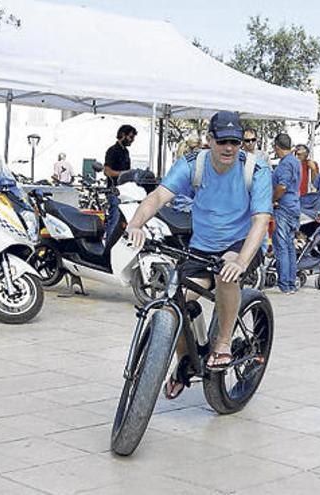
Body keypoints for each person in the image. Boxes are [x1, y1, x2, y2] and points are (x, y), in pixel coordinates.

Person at [125, 111, 271, 399]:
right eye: (223, 141)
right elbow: (157, 197)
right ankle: (185, 360)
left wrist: (241, 260)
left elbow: (261, 220)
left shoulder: (256, 169)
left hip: (242, 244)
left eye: (235, 142)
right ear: (210, 140)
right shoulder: (194, 164)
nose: (229, 148)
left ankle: (224, 343)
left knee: (226, 271)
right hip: (202, 247)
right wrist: (135, 224)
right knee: (172, 301)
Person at [272, 133, 301, 294]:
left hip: (283, 207)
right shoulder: (296, 162)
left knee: (282, 246)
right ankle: (290, 282)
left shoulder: (284, 165)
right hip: (294, 206)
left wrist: (273, 199)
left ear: (277, 147)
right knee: (290, 246)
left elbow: (282, 186)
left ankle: (284, 283)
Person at [104, 125, 137, 239]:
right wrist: (124, 174)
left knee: (123, 222)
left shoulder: (126, 152)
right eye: (131, 137)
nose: (132, 140)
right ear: (123, 135)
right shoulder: (112, 151)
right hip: (114, 191)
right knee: (114, 220)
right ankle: (108, 248)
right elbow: (107, 171)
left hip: (125, 192)